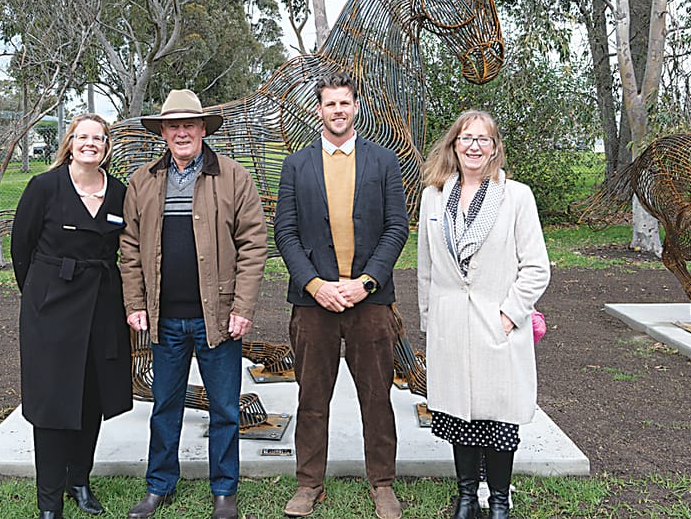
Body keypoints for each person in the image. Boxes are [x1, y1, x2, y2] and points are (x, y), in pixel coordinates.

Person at [120, 89, 268, 519]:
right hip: (164, 318)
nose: (182, 132)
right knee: (165, 406)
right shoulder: (143, 181)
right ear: (163, 132)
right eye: (173, 126)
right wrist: (135, 302)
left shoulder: (233, 177)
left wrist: (242, 307)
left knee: (224, 408)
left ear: (203, 129)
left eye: (190, 125)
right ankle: (159, 485)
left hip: (217, 318)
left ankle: (224, 490)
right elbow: (129, 247)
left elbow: (254, 244)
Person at [274, 74, 410, 519]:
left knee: (376, 396)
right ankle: (309, 483)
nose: (337, 110)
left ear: (357, 107)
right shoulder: (296, 166)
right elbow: (286, 233)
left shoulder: (384, 161)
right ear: (319, 110)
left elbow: (396, 229)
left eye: (345, 103)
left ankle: (383, 483)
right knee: (312, 398)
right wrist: (316, 285)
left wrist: (365, 282)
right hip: (315, 304)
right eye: (329, 104)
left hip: (369, 302)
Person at [416, 110, 550, 519]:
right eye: (466, 138)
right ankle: (466, 498)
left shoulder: (517, 196)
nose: (474, 146)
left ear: (494, 149)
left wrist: (510, 314)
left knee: (499, 419)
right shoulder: (433, 196)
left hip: (498, 325)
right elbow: (426, 267)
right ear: (454, 145)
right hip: (451, 324)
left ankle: (499, 501)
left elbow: (537, 267)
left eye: (483, 139)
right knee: (460, 414)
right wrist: (430, 320)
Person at [10, 113, 134, 519]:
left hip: (101, 305)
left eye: (98, 138)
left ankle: (79, 481)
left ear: (107, 146)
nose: (90, 144)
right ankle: (49, 502)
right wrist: (41, 296)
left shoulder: (118, 192)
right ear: (70, 142)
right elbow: (21, 250)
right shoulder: (44, 187)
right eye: (83, 137)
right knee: (51, 402)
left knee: (91, 396)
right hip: (52, 309)